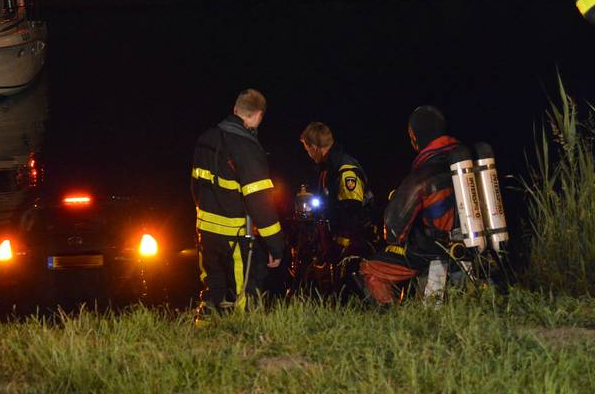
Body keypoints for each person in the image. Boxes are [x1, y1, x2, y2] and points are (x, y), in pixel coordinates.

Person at [190, 89, 284, 318]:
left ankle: (204, 340)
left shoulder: (205, 139)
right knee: (243, 296)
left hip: (205, 233)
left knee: (213, 292)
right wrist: (275, 245)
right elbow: (260, 203)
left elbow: (195, 188)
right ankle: (243, 344)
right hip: (235, 238)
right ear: (259, 115)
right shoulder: (248, 148)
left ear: (235, 110)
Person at [359, 106, 460, 305]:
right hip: (479, 247)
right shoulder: (467, 161)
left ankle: (391, 319)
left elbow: (394, 230)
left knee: (370, 268)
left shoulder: (422, 174)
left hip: (435, 250)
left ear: (415, 135)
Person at [299, 122, 373, 263]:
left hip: (352, 250)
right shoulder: (328, 169)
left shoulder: (345, 170)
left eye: (307, 150)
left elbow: (352, 213)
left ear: (314, 148)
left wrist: (339, 248)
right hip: (336, 244)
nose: (308, 155)